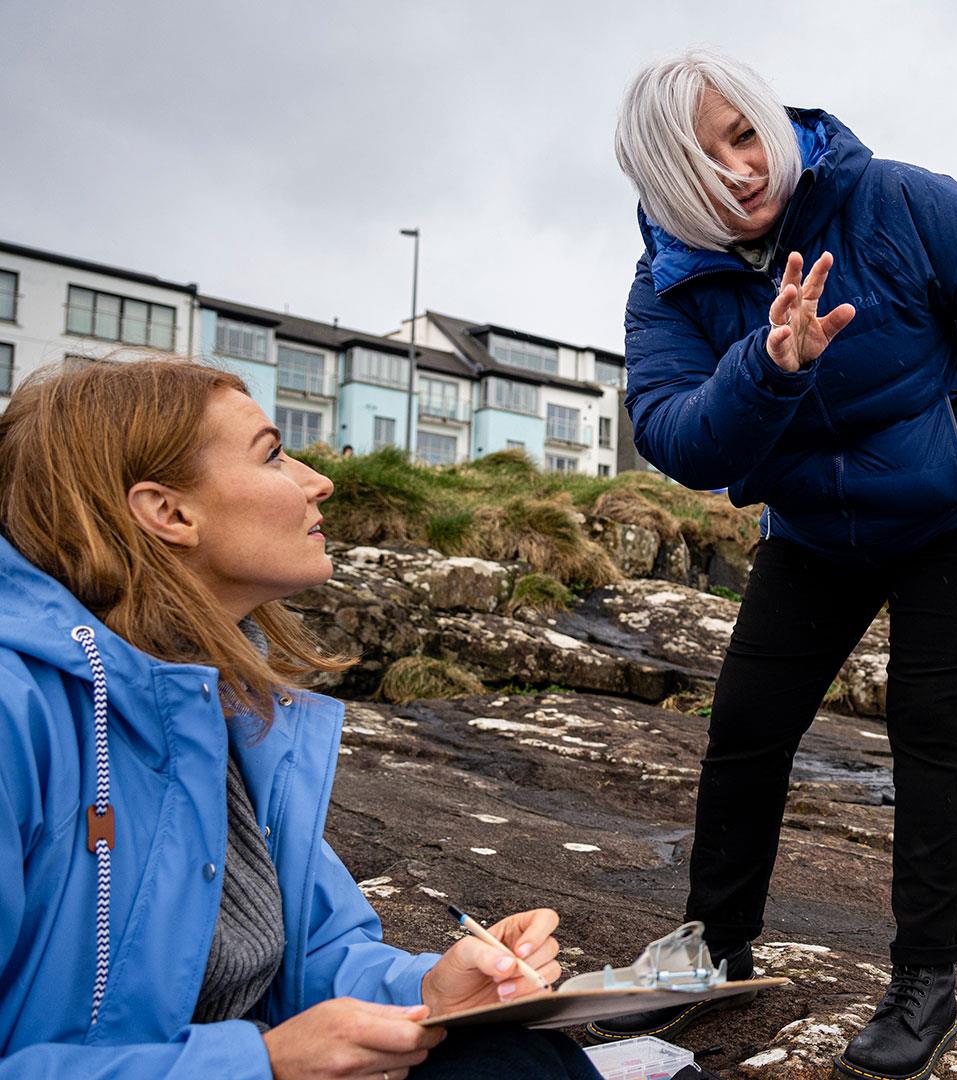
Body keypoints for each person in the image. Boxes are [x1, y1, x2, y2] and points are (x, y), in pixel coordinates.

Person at [600, 49, 957, 1080]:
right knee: (746, 728)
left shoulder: (892, 198)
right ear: (662, 176)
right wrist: (766, 370)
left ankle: (925, 981)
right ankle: (714, 946)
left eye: (742, 132)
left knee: (929, 724)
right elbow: (678, 436)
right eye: (703, 153)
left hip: (956, 515)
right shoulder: (669, 285)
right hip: (814, 530)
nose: (739, 165)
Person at [0, 358, 595, 1080]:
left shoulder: (221, 700)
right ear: (169, 512)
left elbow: (307, 952)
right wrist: (259, 1066)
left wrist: (428, 990)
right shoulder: (18, 713)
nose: (320, 481)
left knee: (511, 1050)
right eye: (274, 454)